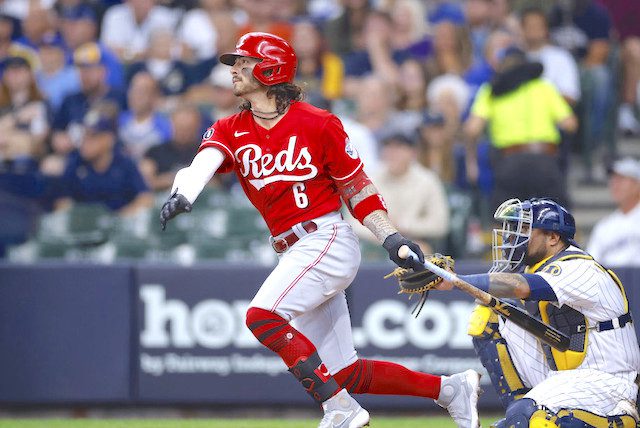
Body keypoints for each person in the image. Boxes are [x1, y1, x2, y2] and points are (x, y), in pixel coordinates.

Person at [158, 32, 481, 428]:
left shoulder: (319, 123)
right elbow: (202, 163)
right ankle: (450, 390)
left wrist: (391, 237)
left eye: (244, 62)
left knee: (262, 317)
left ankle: (339, 408)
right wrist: (185, 192)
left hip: (326, 238)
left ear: (271, 68)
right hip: (293, 249)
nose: (235, 70)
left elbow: (357, 188)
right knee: (346, 373)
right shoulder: (229, 127)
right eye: (235, 63)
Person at [435, 197, 640, 427]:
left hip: (607, 379)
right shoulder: (538, 267)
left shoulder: (579, 267)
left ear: (553, 238)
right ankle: (519, 411)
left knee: (532, 417)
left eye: (525, 229)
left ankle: (618, 419)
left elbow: (521, 286)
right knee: (488, 317)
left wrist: (454, 280)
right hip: (564, 373)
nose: (514, 237)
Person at [464, 46, 578, 212]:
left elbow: (472, 129)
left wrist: (471, 161)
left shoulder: (492, 90)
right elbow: (570, 124)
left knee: (506, 223)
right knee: (555, 220)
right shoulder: (544, 87)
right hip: (544, 159)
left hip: (509, 161)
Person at [587, 157, 640, 267]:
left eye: (621, 179)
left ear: (637, 184)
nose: (615, 184)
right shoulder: (604, 226)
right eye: (613, 180)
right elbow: (591, 266)